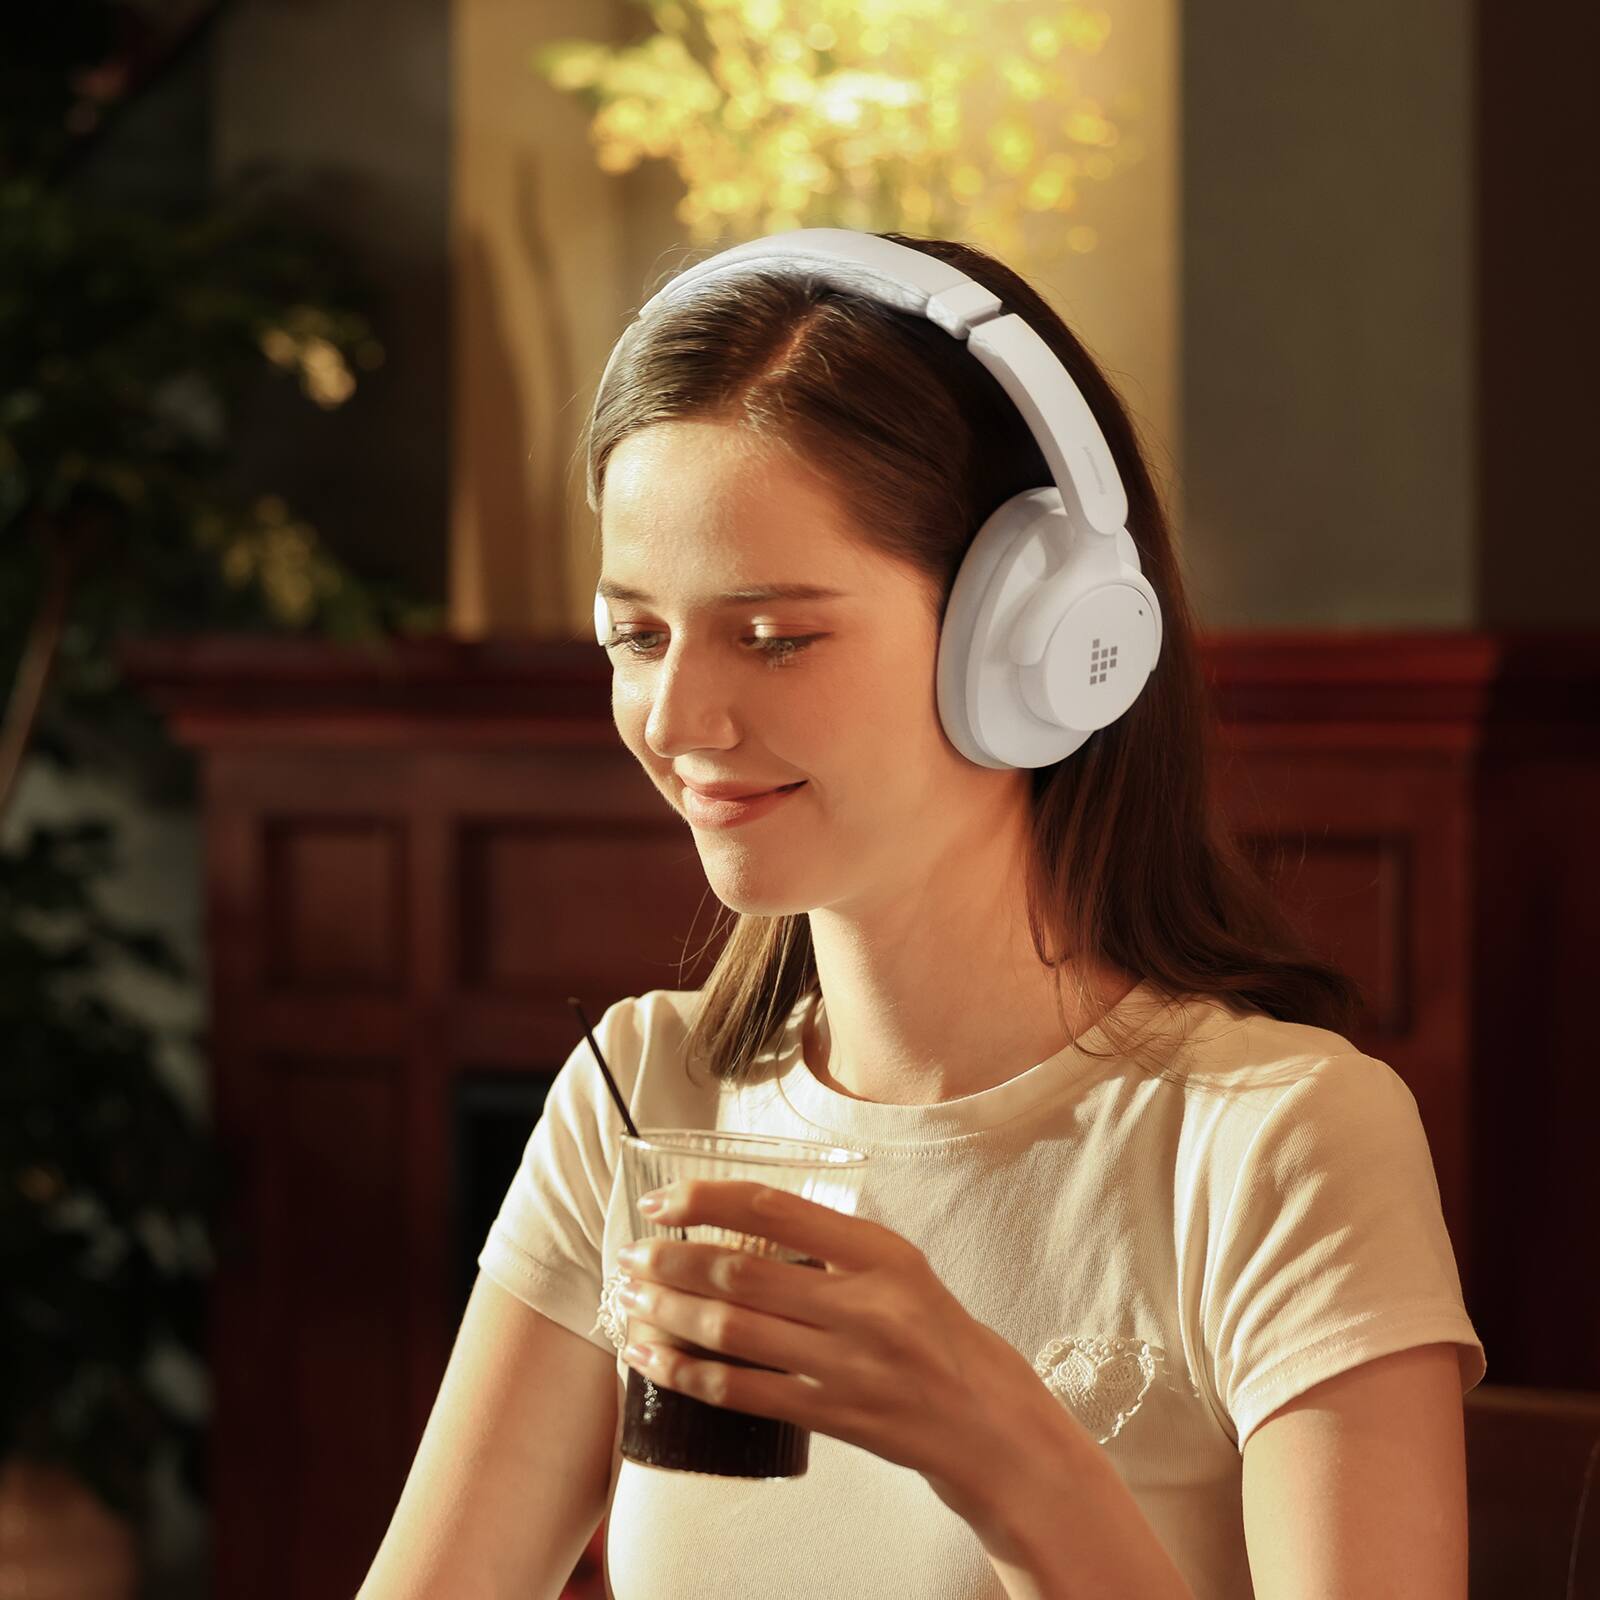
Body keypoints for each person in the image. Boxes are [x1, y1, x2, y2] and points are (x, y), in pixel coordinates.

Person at [360, 232, 1486, 1600]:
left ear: (1039, 644)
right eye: (637, 636)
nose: (677, 721)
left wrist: (1006, 1447)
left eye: (774, 637)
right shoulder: (639, 1098)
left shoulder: (1276, 1141)